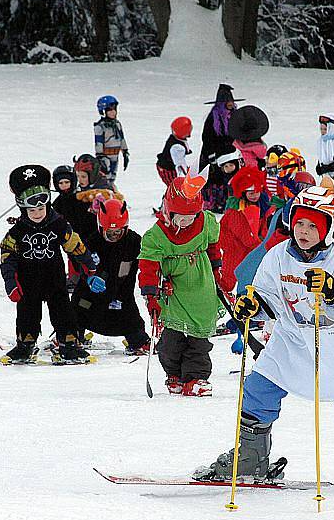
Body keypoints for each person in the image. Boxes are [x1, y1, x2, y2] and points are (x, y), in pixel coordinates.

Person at [192, 177, 334, 491]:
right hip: (291, 341)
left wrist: (331, 292)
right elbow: (267, 297)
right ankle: (251, 456)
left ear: (328, 231)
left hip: (333, 348)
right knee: (258, 388)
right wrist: (252, 305)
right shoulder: (279, 256)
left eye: (313, 227)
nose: (304, 232)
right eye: (299, 224)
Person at [0, 165, 104, 363]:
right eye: (32, 209)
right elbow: (7, 256)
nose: (38, 213)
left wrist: (90, 267)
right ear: (23, 208)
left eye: (41, 208)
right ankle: (25, 344)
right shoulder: (18, 231)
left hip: (55, 280)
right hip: (27, 281)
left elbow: (76, 246)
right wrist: (11, 282)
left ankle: (69, 343)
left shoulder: (58, 224)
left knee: (63, 312)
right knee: (27, 313)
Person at [138, 175, 222, 396]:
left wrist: (218, 272)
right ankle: (174, 373)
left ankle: (196, 377)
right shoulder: (156, 235)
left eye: (191, 217)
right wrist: (151, 295)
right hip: (173, 291)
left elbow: (213, 247)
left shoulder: (205, 223)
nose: (186, 222)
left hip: (201, 287)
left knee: (199, 340)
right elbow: (148, 266)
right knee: (170, 340)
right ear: (168, 210)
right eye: (181, 217)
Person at [71, 199, 150, 354]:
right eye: (109, 233)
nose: (114, 236)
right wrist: (90, 276)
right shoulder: (92, 241)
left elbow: (149, 261)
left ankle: (138, 341)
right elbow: (82, 262)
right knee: (78, 307)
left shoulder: (134, 242)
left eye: (117, 232)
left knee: (130, 317)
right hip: (92, 293)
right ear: (101, 228)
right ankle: (71, 336)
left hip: (121, 292)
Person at [217, 166, 270, 293]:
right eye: (251, 193)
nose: (255, 196)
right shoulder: (236, 211)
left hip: (250, 248)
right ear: (243, 193)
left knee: (251, 277)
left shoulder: (262, 205)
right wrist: (264, 247)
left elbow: (264, 224)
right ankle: (220, 293)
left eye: (257, 192)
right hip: (234, 247)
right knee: (229, 278)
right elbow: (247, 237)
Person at [199, 84, 242, 172]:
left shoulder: (235, 115)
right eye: (227, 101)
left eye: (231, 101)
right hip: (215, 153)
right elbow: (207, 138)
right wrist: (211, 156)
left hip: (230, 153)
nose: (231, 103)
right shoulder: (213, 118)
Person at [94, 95, 129, 187]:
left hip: (115, 155)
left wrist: (125, 151)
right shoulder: (100, 126)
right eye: (109, 110)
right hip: (106, 156)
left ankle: (111, 188)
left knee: (113, 175)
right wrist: (100, 156)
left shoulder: (117, 124)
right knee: (105, 176)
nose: (113, 112)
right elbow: (99, 142)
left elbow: (121, 139)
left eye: (114, 109)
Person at [156, 116, 194, 186]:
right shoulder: (177, 148)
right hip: (168, 169)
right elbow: (180, 164)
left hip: (167, 164)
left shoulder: (176, 137)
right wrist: (186, 175)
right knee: (175, 186)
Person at [202, 149, 243, 214]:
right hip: (226, 199)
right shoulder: (222, 177)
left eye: (231, 165)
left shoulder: (239, 175)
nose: (229, 168)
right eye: (226, 166)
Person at [316, 113, 334, 179]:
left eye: (325, 129)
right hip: (326, 176)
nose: (322, 132)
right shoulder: (321, 141)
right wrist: (319, 165)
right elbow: (322, 155)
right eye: (321, 129)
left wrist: (331, 168)